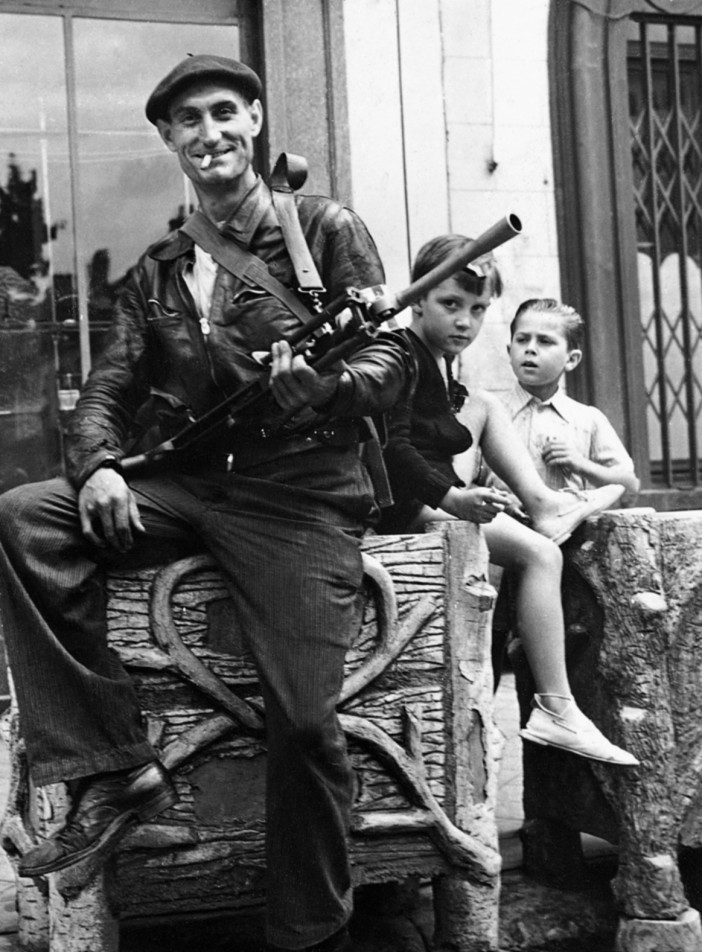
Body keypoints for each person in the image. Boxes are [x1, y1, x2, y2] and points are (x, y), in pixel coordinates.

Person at [0, 55, 411, 952]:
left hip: (299, 496)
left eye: (225, 113)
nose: (210, 133)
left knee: (304, 722)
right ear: (169, 140)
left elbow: (391, 364)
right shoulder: (159, 269)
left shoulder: (322, 230)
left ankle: (312, 932)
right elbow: (106, 385)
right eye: (188, 121)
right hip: (197, 484)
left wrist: (326, 393)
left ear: (256, 121)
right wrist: (101, 464)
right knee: (27, 514)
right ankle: (116, 766)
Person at [379, 234, 638, 768]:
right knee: (541, 554)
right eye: (451, 305)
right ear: (417, 300)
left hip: (433, 497)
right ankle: (556, 707)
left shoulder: (441, 367)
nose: (465, 323)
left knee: (484, 405)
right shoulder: (399, 355)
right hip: (405, 508)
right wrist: (452, 496)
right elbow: (390, 446)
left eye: (477, 310)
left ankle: (547, 505)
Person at [490, 297, 639, 499]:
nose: (530, 348)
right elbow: (463, 482)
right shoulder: (490, 413)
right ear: (510, 351)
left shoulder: (588, 420)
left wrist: (580, 464)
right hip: (503, 526)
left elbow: (630, 485)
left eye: (545, 341)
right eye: (522, 339)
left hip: (572, 527)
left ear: (571, 359)